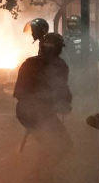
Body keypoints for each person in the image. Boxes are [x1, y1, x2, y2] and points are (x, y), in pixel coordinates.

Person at [14, 32, 72, 160]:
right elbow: (62, 91)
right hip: (39, 113)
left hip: (26, 112)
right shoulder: (59, 65)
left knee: (50, 144)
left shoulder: (29, 63)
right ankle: (40, 175)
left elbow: (18, 92)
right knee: (62, 145)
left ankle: (42, 173)